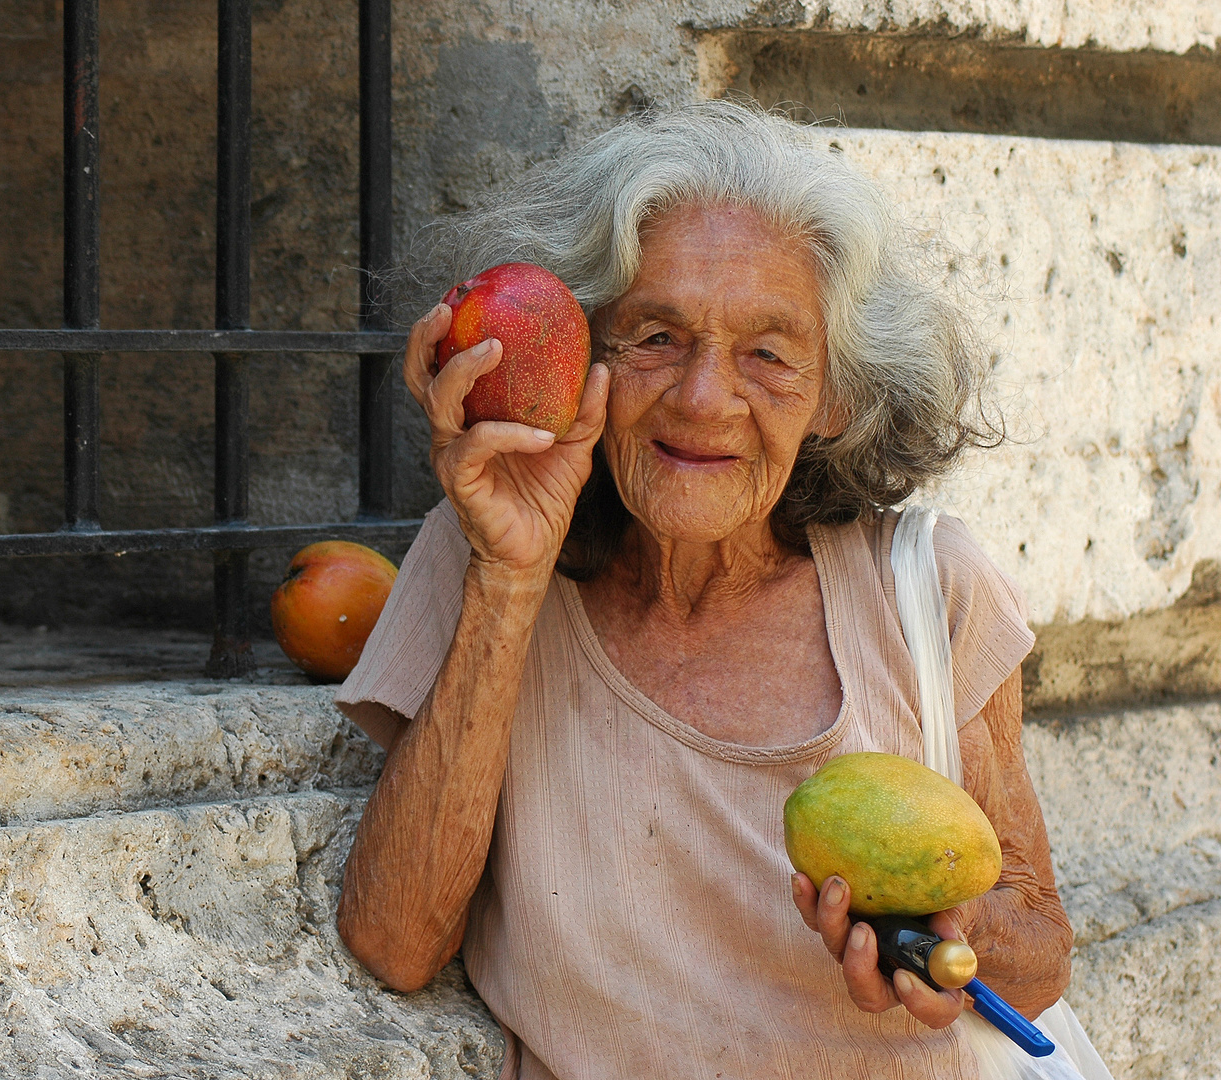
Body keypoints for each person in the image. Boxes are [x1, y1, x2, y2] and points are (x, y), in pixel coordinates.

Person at [332, 101, 1074, 1079]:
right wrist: (511, 577)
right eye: (653, 336)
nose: (700, 399)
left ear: (833, 396)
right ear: (579, 352)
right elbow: (395, 941)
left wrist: (951, 940)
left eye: (767, 355)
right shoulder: (477, 560)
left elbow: (1039, 952)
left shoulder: (927, 590)